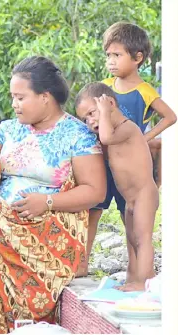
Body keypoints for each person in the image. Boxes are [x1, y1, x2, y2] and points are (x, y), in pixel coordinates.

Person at [0, 56, 106, 334]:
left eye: (21, 97)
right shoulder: (8, 130)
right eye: (13, 97)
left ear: (45, 97)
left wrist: (47, 202)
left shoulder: (77, 135)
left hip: (44, 239)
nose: (14, 104)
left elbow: (95, 191)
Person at [76, 22, 177, 278]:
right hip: (103, 164)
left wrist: (145, 137)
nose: (111, 61)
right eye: (108, 55)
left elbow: (170, 116)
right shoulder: (104, 87)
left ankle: (137, 272)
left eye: (117, 55)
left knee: (128, 218)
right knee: (93, 210)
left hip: (128, 171)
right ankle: (81, 263)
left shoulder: (144, 91)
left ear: (138, 57)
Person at [76, 81, 159, 291]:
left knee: (142, 238)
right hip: (131, 200)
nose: (90, 121)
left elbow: (105, 137)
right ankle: (139, 278)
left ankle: (144, 281)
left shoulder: (127, 128)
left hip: (143, 195)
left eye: (92, 113)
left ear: (110, 103)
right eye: (85, 119)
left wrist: (103, 113)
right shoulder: (112, 132)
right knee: (132, 238)